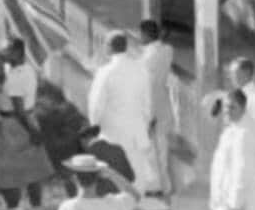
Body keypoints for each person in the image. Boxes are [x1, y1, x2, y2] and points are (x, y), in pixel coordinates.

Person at [87, 30, 156, 192]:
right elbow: (147, 102)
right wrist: (145, 124)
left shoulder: (105, 72)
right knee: (137, 172)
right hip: (136, 130)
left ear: (109, 47)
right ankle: (136, 207)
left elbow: (96, 103)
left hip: (113, 131)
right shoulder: (141, 70)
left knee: (115, 174)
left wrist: (94, 124)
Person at [0, 38, 54, 210]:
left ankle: (12, 208)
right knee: (33, 172)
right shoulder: (26, 68)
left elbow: (18, 109)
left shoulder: (15, 77)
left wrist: (33, 132)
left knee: (10, 175)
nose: (2, 54)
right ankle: (37, 206)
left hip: (15, 124)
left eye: (6, 51)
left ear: (16, 52)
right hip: (30, 118)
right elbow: (1, 59)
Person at [209, 89, 255, 210]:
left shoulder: (244, 133)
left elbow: (243, 170)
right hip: (236, 203)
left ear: (243, 108)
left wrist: (235, 203)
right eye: (226, 107)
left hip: (241, 207)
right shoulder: (235, 127)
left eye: (232, 107)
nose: (227, 111)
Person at [51, 153, 141, 210]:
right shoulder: (110, 204)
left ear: (75, 179)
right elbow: (135, 196)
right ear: (98, 178)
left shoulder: (66, 208)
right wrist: (112, 174)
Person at [138, 19, 174, 195]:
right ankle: (164, 185)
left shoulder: (148, 58)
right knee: (163, 147)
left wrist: (149, 114)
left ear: (146, 35)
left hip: (152, 106)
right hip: (164, 102)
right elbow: (165, 47)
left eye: (141, 35)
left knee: (151, 149)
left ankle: (155, 186)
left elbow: (148, 86)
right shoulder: (166, 51)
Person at [65, 125, 133, 196]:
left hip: (104, 199)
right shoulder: (118, 148)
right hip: (126, 195)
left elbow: (88, 183)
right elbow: (131, 176)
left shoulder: (88, 158)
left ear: (83, 139)